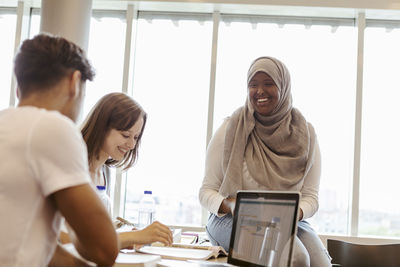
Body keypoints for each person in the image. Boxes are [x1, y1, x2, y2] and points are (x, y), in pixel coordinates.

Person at [199, 56, 332, 266]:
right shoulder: (230, 129)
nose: (259, 91)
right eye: (253, 85)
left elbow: (311, 197)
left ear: (284, 86)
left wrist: (292, 214)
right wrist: (231, 205)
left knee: (321, 264)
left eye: (268, 84)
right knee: (296, 258)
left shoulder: (306, 134)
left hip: (288, 222)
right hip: (231, 219)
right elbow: (206, 192)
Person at [0, 34, 119, 267]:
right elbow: (104, 250)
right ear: (74, 82)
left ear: (19, 88)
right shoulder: (52, 126)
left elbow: (38, 247)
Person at [79, 92, 173, 249]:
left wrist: (127, 238)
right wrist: (129, 237)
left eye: (136, 137)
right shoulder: (74, 165)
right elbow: (77, 237)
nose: (131, 145)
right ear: (102, 127)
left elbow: (99, 233)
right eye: (125, 135)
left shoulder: (104, 171)